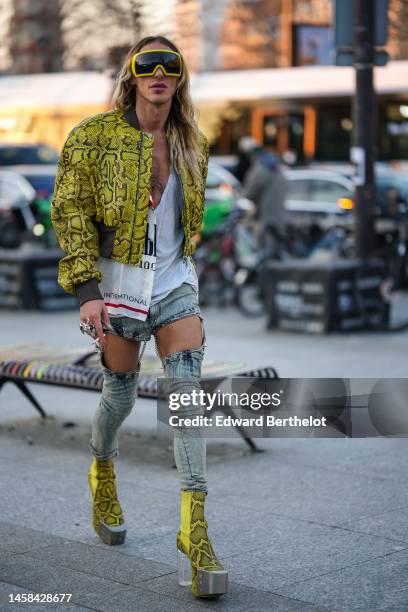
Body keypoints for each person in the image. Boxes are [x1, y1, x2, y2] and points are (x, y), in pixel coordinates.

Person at [51, 35, 228, 599]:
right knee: (120, 396)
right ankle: (102, 471)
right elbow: (69, 208)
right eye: (145, 64)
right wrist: (85, 289)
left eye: (168, 65)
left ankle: (195, 532)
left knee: (187, 395)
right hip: (117, 285)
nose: (157, 73)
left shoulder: (192, 142)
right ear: (131, 75)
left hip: (173, 285)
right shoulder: (93, 137)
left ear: (179, 78)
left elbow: (190, 219)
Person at [242, 146, 289, 251]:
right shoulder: (278, 168)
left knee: (263, 240)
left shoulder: (261, 169)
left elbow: (250, 191)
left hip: (265, 211)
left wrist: (243, 197)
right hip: (278, 211)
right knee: (276, 237)